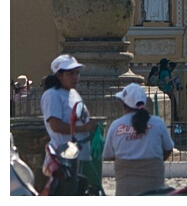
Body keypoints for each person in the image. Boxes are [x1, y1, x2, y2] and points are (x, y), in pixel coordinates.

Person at [102, 82, 174, 196]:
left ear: (123, 104)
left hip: (126, 189)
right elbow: (168, 148)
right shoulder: (158, 123)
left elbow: (108, 155)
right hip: (154, 186)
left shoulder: (116, 126)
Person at [40, 54, 98, 186]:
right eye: (70, 74)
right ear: (59, 75)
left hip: (78, 156)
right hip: (62, 159)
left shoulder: (73, 93)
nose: (75, 77)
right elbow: (55, 126)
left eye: (77, 73)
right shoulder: (52, 95)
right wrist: (84, 128)